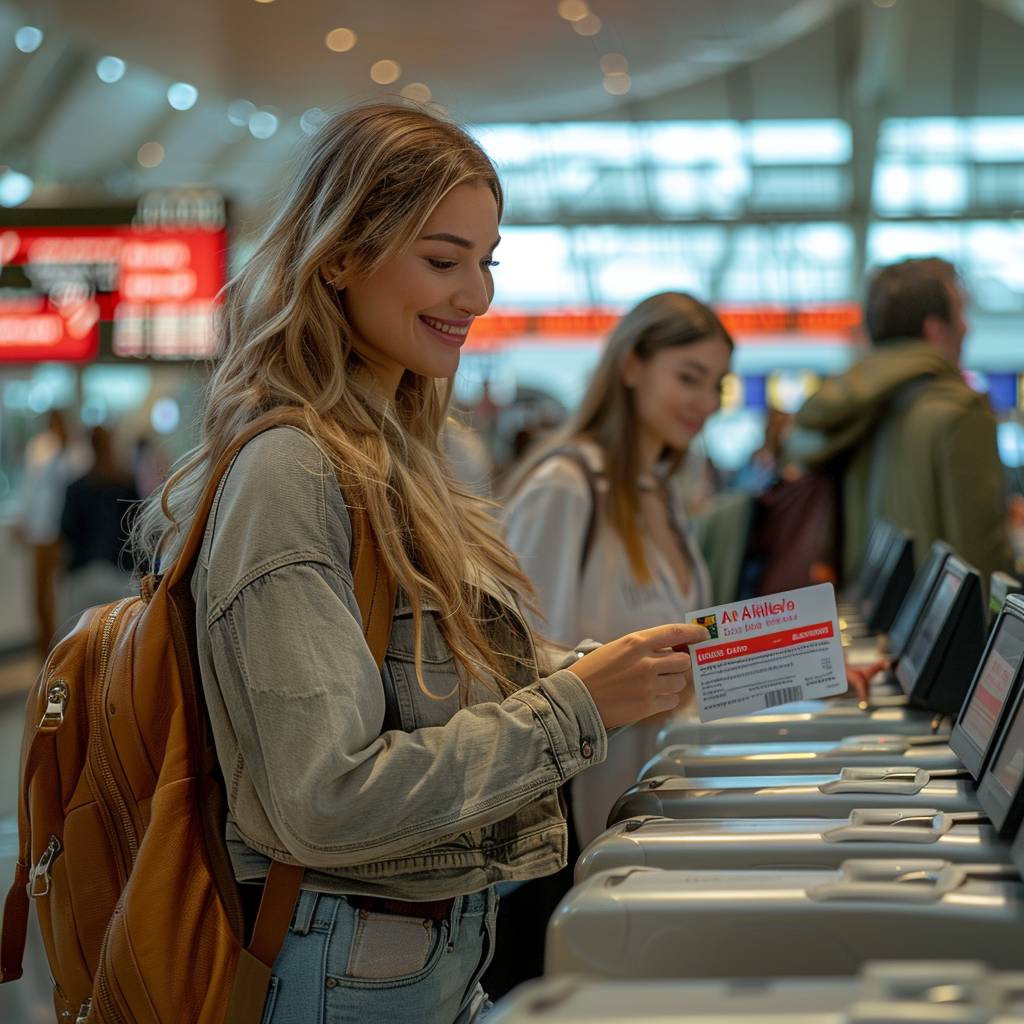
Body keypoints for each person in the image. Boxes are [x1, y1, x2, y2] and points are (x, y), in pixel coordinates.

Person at [130, 103, 707, 1024]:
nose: (475, 296)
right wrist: (576, 706)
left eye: (487, 262)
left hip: (415, 957)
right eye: (442, 261)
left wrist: (609, 674)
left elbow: (425, 685)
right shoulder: (291, 471)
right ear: (339, 257)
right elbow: (325, 797)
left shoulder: (389, 454)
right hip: (336, 968)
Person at [504, 292, 733, 852]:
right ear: (632, 365)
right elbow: (520, 663)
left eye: (716, 386)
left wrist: (805, 663)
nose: (705, 401)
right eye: (689, 377)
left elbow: (687, 648)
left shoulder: (660, 489)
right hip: (583, 819)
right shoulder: (567, 485)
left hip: (655, 801)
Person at [795, 257, 1014, 591]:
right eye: (960, 315)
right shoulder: (959, 410)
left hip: (863, 608)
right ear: (934, 327)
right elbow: (982, 559)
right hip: (939, 630)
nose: (967, 328)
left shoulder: (853, 406)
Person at [11, 409, 87, 659]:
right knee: (41, 595)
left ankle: (67, 648)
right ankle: (44, 652)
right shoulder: (39, 448)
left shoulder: (77, 452)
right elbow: (29, 488)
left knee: (66, 594)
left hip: (65, 534)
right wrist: (24, 521)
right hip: (42, 533)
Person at [59, 425, 139, 625]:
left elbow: (67, 532)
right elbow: (138, 531)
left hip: (83, 576)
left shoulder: (76, 489)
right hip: (121, 577)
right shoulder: (126, 485)